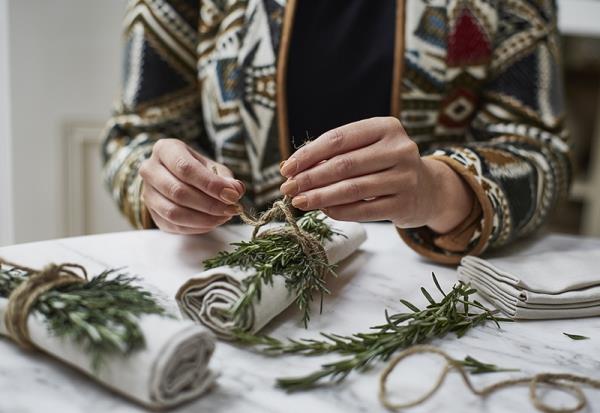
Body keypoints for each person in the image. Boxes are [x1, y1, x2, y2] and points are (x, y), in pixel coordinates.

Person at [101, 0, 570, 264]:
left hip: (431, 287)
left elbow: (540, 149)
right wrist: (165, 184)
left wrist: (439, 188)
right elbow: (136, 138)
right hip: (233, 278)